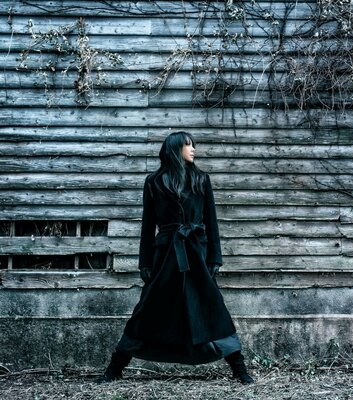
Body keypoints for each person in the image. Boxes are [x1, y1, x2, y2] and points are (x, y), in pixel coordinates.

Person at [97, 131, 253, 384]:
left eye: (194, 146)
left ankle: (239, 369)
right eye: (188, 145)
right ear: (174, 148)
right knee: (147, 309)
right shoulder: (154, 181)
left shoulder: (202, 179)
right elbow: (147, 226)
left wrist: (214, 258)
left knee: (212, 309)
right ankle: (114, 369)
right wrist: (145, 263)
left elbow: (211, 222)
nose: (194, 150)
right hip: (165, 255)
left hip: (197, 255)